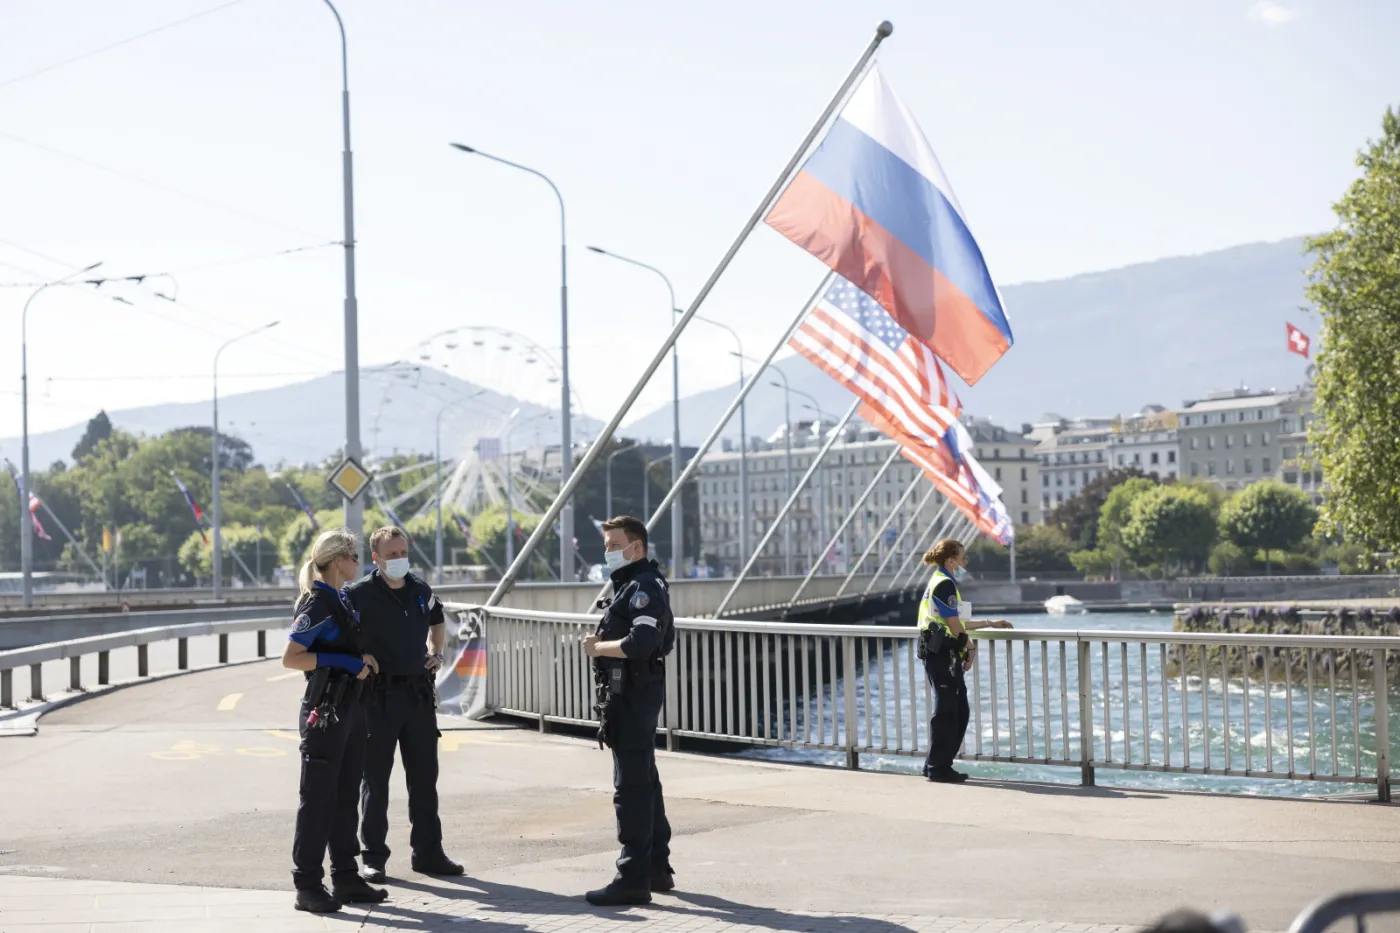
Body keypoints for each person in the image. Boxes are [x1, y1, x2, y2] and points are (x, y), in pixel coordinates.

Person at [346, 526, 463, 881]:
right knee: (375, 781)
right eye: (391, 554)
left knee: (425, 779)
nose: (399, 559)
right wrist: (358, 655)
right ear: (376, 558)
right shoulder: (358, 594)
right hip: (377, 697)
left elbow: (437, 621)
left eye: (402, 553)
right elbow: (341, 634)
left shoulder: (420, 590)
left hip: (417, 696)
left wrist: (436, 653)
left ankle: (428, 853)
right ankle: (373, 858)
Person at [281, 528, 388, 914]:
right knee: (318, 800)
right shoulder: (317, 604)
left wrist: (361, 659)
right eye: (355, 556)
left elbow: (342, 644)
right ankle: (307, 885)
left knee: (345, 798)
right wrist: (342, 661)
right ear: (339, 560)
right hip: (324, 712)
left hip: (349, 709)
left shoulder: (340, 599)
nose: (358, 563)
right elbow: (292, 657)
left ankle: (346, 877)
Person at [581, 515, 676, 906]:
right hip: (634, 690)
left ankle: (632, 878)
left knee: (631, 787)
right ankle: (656, 867)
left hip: (634, 693)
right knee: (645, 779)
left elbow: (642, 642)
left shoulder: (643, 586)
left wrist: (597, 648)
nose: (608, 552)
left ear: (636, 547)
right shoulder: (634, 583)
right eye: (606, 545)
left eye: (614, 545)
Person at [917, 538, 1013, 784]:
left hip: (940, 652)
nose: (965, 562)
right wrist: (969, 646)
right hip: (943, 653)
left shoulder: (939, 581)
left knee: (954, 708)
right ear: (951, 561)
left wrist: (989, 623)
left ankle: (934, 764)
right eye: (963, 558)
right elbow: (953, 624)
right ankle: (939, 767)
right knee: (949, 711)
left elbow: (956, 621)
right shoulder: (945, 584)